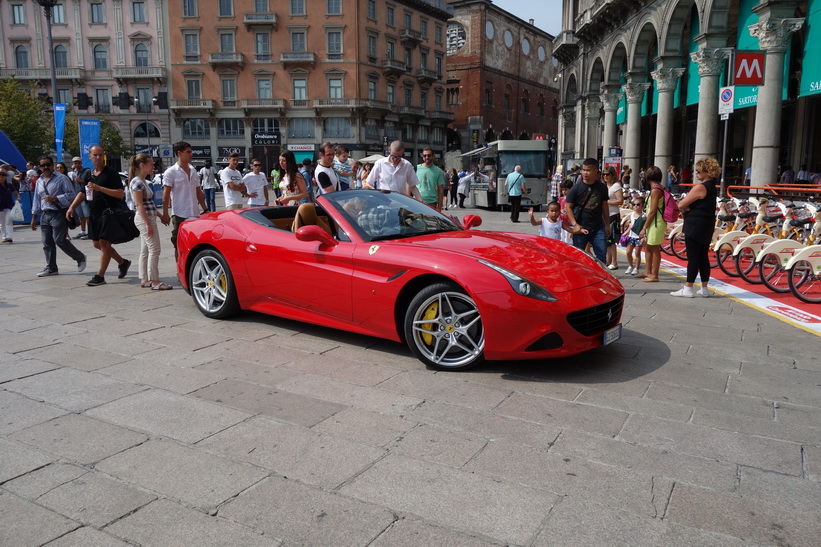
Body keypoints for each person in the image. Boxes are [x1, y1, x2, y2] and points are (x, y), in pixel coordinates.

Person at [67, 146, 130, 286]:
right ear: (89, 156)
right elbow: (83, 193)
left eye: (100, 155)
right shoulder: (89, 174)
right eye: (95, 155)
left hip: (108, 213)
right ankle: (123, 262)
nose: (98, 157)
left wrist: (99, 188)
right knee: (97, 244)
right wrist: (72, 207)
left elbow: (120, 193)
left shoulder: (110, 173)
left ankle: (100, 276)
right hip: (94, 214)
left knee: (104, 243)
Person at [670, 157, 721, 297]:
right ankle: (704, 288)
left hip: (695, 225)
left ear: (707, 172)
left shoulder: (700, 187)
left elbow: (680, 205)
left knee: (693, 257)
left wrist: (687, 207)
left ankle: (688, 288)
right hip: (707, 225)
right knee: (703, 256)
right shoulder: (712, 187)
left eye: (699, 171)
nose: (696, 174)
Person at [30, 156, 87, 277]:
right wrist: (34, 217)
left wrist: (55, 198)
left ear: (52, 165)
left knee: (59, 240)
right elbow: (37, 199)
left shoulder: (62, 178)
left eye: (48, 164)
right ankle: (51, 268)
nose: (46, 167)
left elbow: (71, 195)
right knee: (47, 242)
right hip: (45, 215)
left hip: (59, 213)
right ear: (39, 167)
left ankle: (80, 257)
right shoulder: (39, 181)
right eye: (43, 165)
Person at [129, 153, 171, 290]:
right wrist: (147, 223)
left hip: (147, 217)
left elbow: (148, 204)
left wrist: (159, 216)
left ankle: (144, 278)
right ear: (142, 165)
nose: (153, 166)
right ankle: (155, 281)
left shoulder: (142, 181)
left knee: (146, 250)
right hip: (144, 218)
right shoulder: (137, 182)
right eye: (151, 164)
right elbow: (139, 205)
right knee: (155, 249)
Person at [162, 141, 208, 259]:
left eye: (191, 151)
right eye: (188, 152)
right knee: (178, 244)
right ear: (179, 153)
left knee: (195, 243)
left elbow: (198, 192)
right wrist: (165, 213)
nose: (191, 154)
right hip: (179, 214)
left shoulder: (193, 170)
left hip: (194, 213)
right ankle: (179, 269)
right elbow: (166, 194)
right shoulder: (171, 172)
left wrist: (205, 209)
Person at [564, 158, 611, 263]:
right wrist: (575, 224)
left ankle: (600, 278)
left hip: (598, 227)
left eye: (588, 170)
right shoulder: (576, 188)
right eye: (583, 170)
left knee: (601, 257)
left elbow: (604, 207)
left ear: (595, 171)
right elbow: (568, 207)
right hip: (581, 228)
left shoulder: (602, 188)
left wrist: (607, 224)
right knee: (579, 257)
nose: (585, 173)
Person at [636, 166, 666, 283]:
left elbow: (653, 211)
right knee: (647, 246)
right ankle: (647, 271)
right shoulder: (657, 188)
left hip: (655, 223)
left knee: (654, 248)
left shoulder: (656, 190)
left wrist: (644, 227)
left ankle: (655, 275)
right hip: (654, 222)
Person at [603, 166, 624, 270]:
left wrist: (607, 203)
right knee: (607, 239)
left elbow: (620, 201)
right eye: (604, 174)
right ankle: (609, 260)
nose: (605, 176)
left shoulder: (616, 186)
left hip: (613, 214)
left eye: (608, 174)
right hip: (605, 215)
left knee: (611, 239)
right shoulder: (604, 186)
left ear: (612, 175)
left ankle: (614, 261)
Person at [68, 157, 91, 238]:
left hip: (85, 195)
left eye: (78, 162)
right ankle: (83, 231)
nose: (76, 164)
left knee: (87, 214)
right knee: (81, 215)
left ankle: (90, 231)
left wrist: (81, 181)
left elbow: (90, 182)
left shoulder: (86, 171)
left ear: (81, 163)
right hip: (76, 196)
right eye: (75, 163)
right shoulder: (73, 173)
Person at [623, 198, 645, 275]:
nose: (635, 206)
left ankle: (636, 267)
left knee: (637, 253)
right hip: (631, 236)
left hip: (639, 237)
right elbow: (631, 225)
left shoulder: (644, 216)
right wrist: (626, 232)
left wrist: (644, 237)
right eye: (634, 204)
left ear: (642, 205)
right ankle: (630, 266)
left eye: (638, 204)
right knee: (628, 252)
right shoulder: (632, 214)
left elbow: (645, 227)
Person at [0, 166, 20, 243]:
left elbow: (16, 193)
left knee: (8, 220)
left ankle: (9, 236)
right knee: (2, 222)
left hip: (8, 205)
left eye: (3, 175)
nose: (1, 177)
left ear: (5, 177)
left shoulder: (9, 185)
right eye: (0, 175)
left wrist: (18, 198)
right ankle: (4, 236)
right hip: (0, 206)